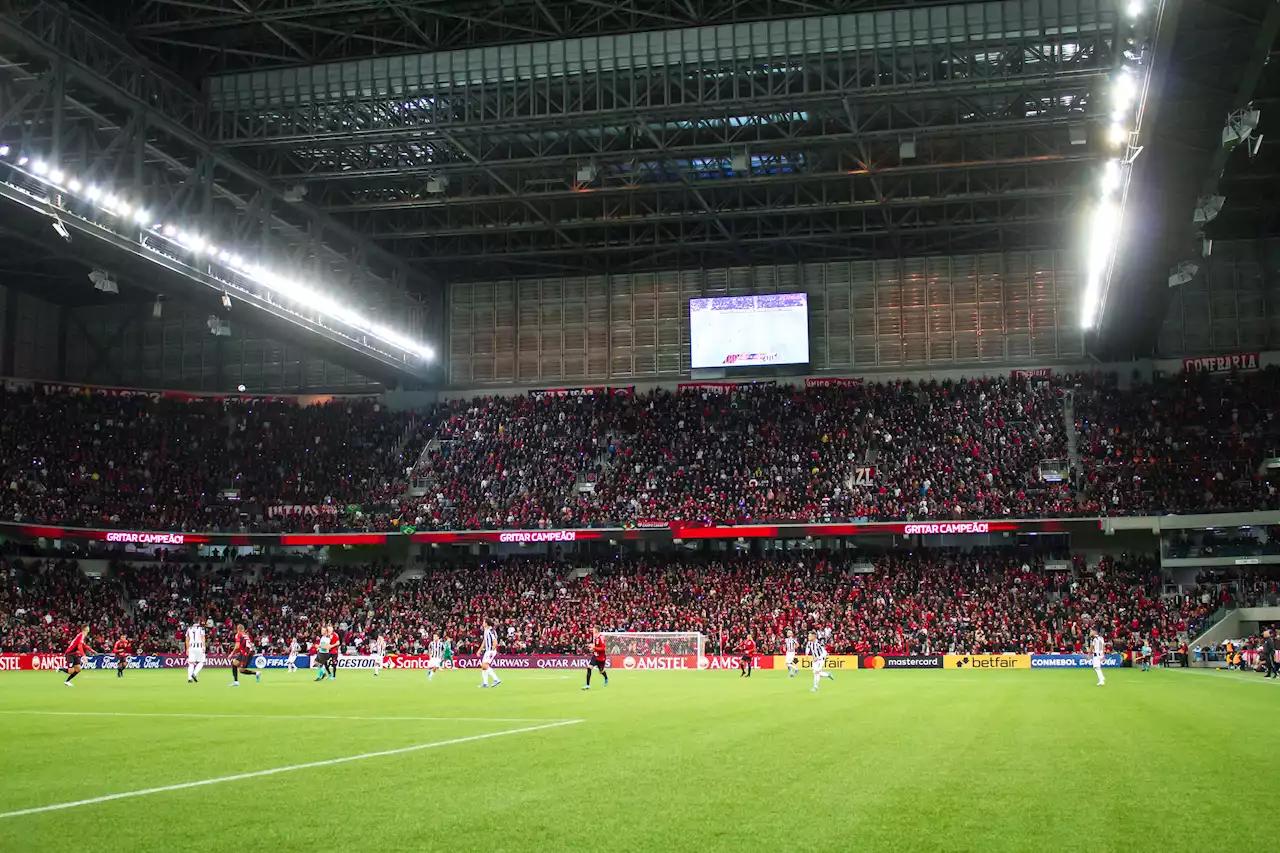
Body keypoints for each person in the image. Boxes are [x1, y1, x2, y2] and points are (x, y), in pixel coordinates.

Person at [479, 619, 502, 689]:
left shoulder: (491, 631)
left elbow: (495, 641)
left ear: (486, 623)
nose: (482, 623)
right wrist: (479, 650)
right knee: (483, 666)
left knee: (485, 665)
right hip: (487, 650)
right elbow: (484, 641)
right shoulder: (486, 630)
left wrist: (492, 649)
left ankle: (496, 679)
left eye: (483, 622)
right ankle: (485, 683)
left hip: (490, 650)